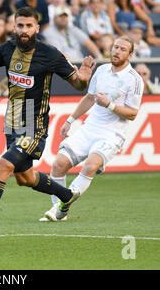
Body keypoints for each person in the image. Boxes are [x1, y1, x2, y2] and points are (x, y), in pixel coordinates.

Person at [0, 6, 97, 245]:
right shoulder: (6, 50)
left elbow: (77, 84)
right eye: (20, 26)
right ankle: (67, 196)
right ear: (13, 27)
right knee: (24, 178)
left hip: (33, 125)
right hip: (13, 120)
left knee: (1, 167)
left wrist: (84, 77)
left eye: (29, 26)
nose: (24, 31)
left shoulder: (50, 54)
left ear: (37, 28)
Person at [40, 36, 144, 222]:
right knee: (58, 164)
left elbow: (132, 114)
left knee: (90, 166)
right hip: (90, 128)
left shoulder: (134, 80)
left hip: (112, 134)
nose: (116, 51)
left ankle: (58, 208)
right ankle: (61, 211)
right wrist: (70, 120)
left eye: (122, 49)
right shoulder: (102, 70)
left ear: (130, 54)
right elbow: (89, 98)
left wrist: (109, 105)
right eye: (115, 47)